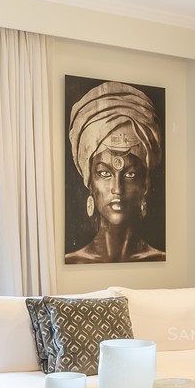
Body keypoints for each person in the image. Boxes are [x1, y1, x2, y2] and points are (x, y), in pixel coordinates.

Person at [65, 81, 165, 264]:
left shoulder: (160, 258)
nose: (117, 189)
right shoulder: (73, 261)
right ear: (89, 182)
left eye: (130, 175)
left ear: (145, 184)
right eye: (104, 173)